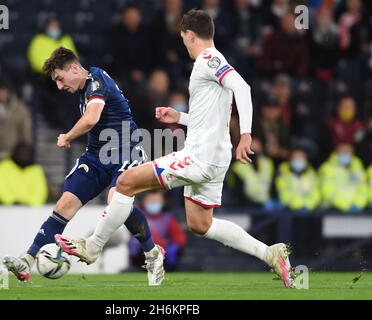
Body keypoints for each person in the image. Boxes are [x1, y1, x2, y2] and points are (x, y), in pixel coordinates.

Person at [56, 10, 295, 288]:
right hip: (216, 157)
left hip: (200, 156)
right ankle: (269, 253)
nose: (184, 45)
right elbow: (211, 118)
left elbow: (243, 88)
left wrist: (246, 134)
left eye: (183, 39)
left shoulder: (208, 59)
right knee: (200, 224)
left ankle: (93, 245)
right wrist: (179, 118)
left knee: (125, 182)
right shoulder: (212, 65)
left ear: (190, 35)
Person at [2, 47, 164, 286]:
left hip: (126, 150)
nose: (59, 86)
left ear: (75, 69)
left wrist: (67, 136)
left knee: (115, 199)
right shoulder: (84, 90)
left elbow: (91, 119)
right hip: (97, 156)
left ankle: (152, 253)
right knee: (64, 203)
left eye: (59, 78)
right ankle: (26, 260)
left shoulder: (97, 80)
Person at [128, 191, 187, 271]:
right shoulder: (138, 216)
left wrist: (174, 247)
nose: (154, 203)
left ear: (163, 202)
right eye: (151, 200)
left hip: (163, 255)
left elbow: (179, 237)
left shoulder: (168, 219)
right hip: (141, 256)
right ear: (144, 201)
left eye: (157, 200)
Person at [0, 142, 48, 207]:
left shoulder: (36, 170)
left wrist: (30, 204)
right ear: (14, 153)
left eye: (26, 153)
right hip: (6, 208)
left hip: (31, 210)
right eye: (20, 152)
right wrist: (12, 202)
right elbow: (0, 188)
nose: (23, 155)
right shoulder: (2, 167)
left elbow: (40, 191)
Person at [319, 143, 368, 212]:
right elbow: (327, 191)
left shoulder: (358, 168)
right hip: (334, 210)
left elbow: (364, 190)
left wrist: (358, 204)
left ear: (352, 154)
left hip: (356, 209)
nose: (345, 154)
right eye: (343, 151)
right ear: (336, 152)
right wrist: (345, 206)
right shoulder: (327, 168)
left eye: (348, 152)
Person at [231, 138, 276, 209]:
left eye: (257, 147)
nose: (254, 150)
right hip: (247, 205)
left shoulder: (268, 163)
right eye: (251, 147)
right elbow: (236, 190)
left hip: (267, 203)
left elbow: (273, 183)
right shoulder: (238, 166)